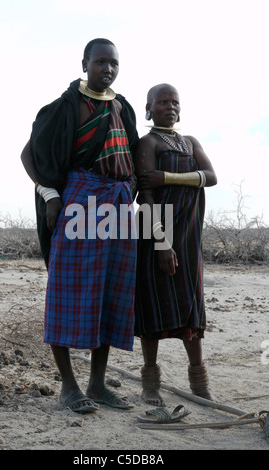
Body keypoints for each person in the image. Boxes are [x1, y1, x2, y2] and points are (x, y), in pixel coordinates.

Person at [21, 38, 138, 413]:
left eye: (114, 64)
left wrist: (128, 190)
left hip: (117, 207)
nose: (108, 69)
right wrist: (50, 195)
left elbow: (132, 157)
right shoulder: (64, 108)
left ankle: (98, 384)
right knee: (66, 293)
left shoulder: (123, 108)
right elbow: (28, 154)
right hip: (77, 202)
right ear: (85, 63)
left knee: (109, 294)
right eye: (101, 62)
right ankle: (69, 387)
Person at [134, 83, 217, 406]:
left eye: (175, 102)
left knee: (190, 305)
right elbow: (147, 196)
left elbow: (210, 176)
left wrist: (167, 177)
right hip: (158, 235)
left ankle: (199, 381)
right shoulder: (148, 143)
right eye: (162, 101)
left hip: (188, 236)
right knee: (152, 305)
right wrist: (161, 244)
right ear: (149, 107)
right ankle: (150, 383)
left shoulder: (190, 142)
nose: (170, 106)